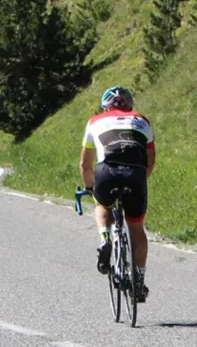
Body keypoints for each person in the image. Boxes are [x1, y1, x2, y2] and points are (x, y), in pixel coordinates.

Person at [79, 85, 155, 302]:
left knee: (102, 204)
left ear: (105, 107)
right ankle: (138, 280)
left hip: (107, 171)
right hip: (136, 174)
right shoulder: (142, 120)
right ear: (129, 105)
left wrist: (90, 187)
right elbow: (150, 161)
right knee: (136, 226)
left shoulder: (95, 121)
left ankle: (105, 238)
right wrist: (139, 181)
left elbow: (85, 164)